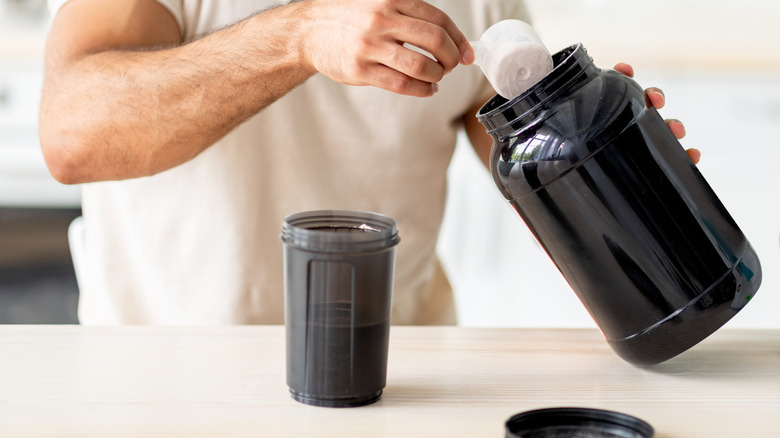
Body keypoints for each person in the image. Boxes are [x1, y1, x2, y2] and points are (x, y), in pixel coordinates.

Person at [39, 0, 696, 325]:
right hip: (172, 380)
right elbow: (73, 134)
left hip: (395, 374)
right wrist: (298, 36)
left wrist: (610, 164)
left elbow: (532, 155)